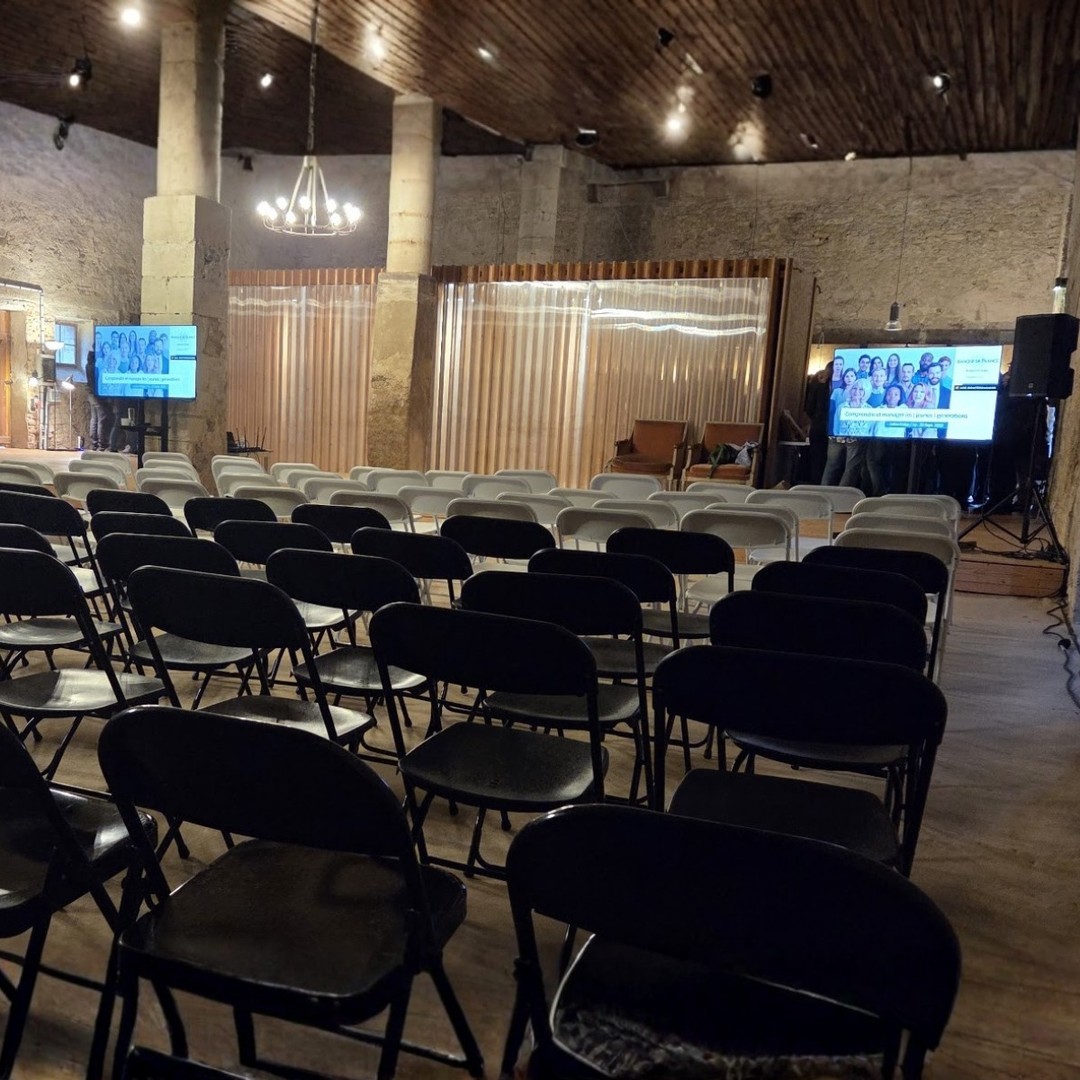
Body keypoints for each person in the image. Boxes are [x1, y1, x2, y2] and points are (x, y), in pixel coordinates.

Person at [84, 350, 114, 452]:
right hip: (96, 394)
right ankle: (102, 444)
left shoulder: (87, 365)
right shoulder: (95, 367)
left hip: (90, 393)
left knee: (94, 418)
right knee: (102, 418)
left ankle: (94, 443)